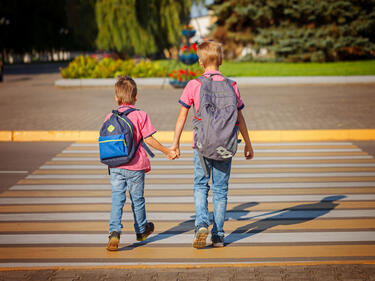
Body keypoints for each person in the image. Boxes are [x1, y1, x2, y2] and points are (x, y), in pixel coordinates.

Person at [171, 41, 254, 248]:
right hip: (226, 145)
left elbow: (182, 117)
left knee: (200, 185)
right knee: (220, 190)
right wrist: (248, 144)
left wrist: (175, 144)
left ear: (200, 62)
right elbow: (240, 118)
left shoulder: (194, 85)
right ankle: (218, 234)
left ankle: (201, 225)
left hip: (201, 146)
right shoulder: (231, 85)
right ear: (221, 61)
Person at [106, 76, 177, 251]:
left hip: (115, 165)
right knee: (137, 200)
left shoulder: (110, 116)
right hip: (135, 166)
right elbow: (149, 139)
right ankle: (141, 230)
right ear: (136, 97)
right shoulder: (141, 115)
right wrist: (167, 151)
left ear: (116, 98)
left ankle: (114, 232)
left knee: (117, 199)